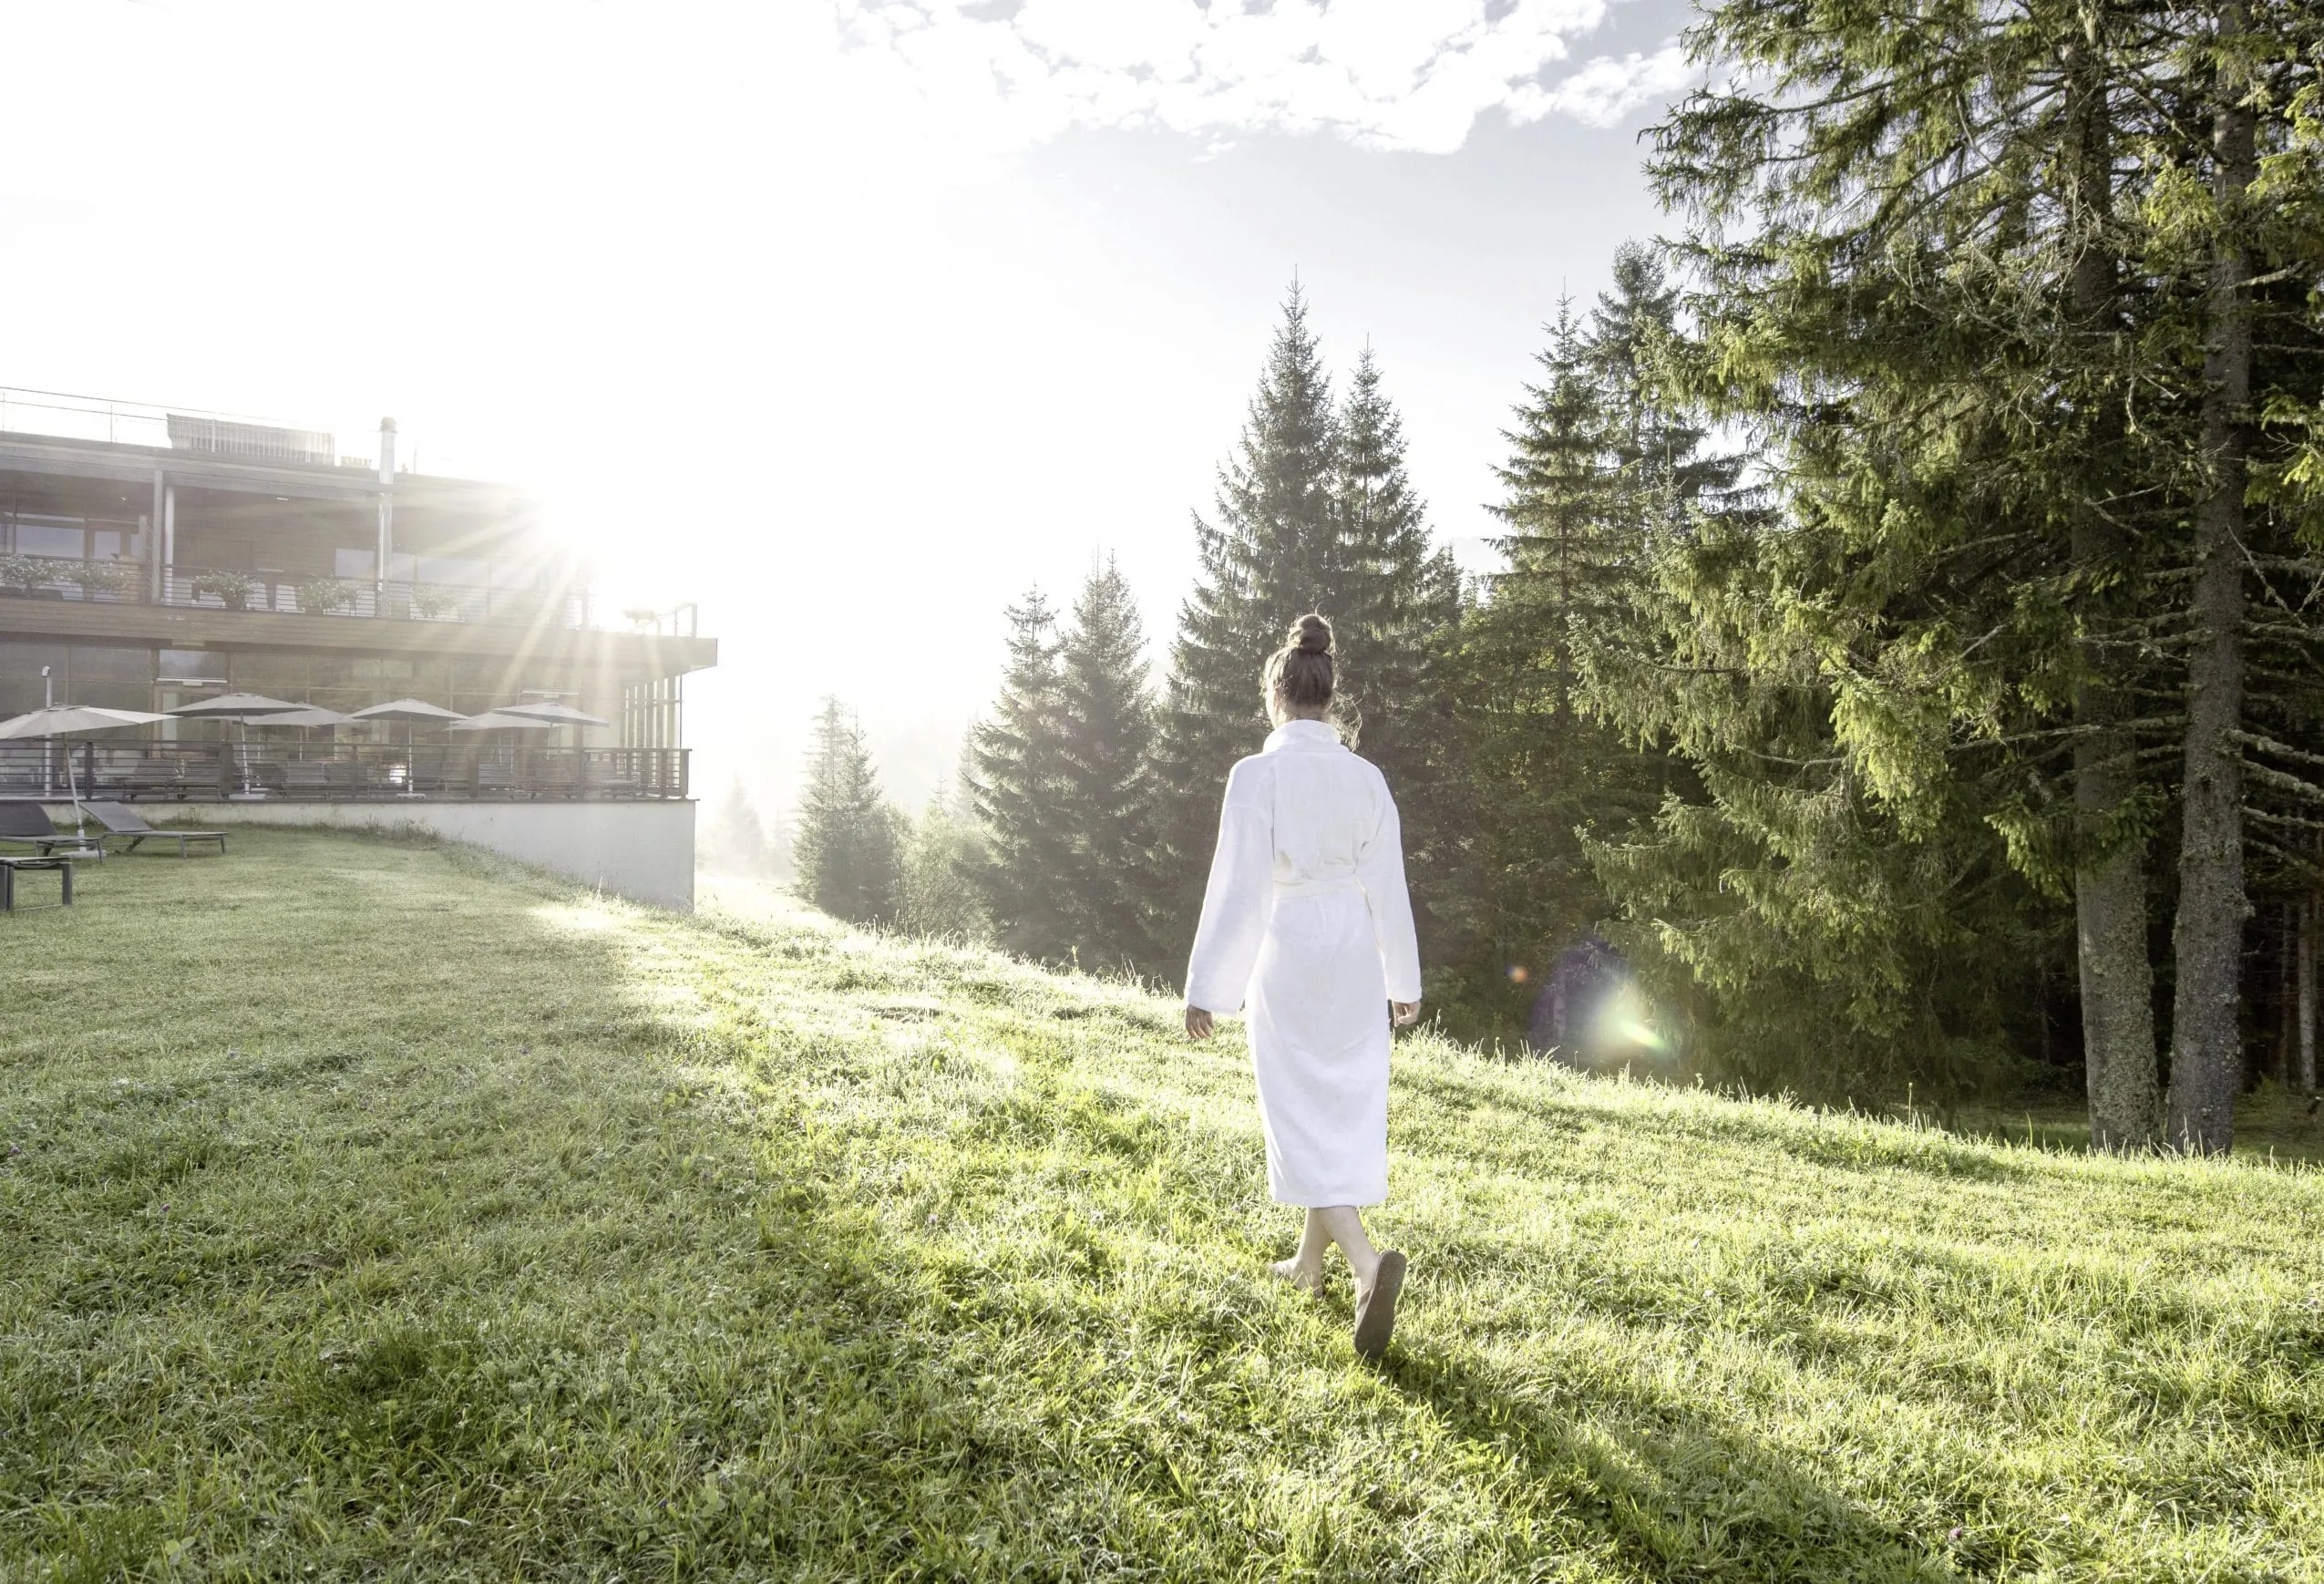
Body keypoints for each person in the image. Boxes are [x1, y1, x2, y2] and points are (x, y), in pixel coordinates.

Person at [1182, 612, 1423, 1360]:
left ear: (1276, 698)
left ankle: (1363, 1265)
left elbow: (1238, 889)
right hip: (1352, 953)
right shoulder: (1366, 778)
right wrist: (1402, 977)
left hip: (1287, 954)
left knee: (1295, 1113)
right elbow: (1390, 883)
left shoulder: (1257, 776)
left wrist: (1207, 989)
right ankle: (1308, 1264)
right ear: (1327, 698)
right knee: (1336, 1108)